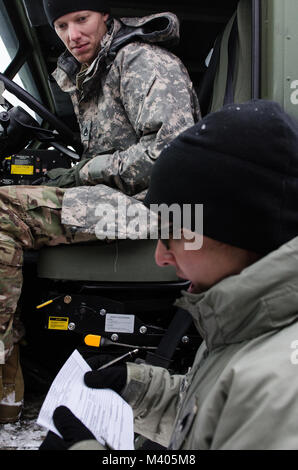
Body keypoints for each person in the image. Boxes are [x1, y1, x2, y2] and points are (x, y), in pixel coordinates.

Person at [41, 99, 298, 450]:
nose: (161, 255)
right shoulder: (248, 331)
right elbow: (219, 413)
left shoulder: (282, 389)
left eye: (176, 230)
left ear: (242, 228)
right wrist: (143, 390)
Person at [0, 0, 200, 423]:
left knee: (3, 211)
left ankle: (4, 385)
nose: (72, 35)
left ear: (106, 16)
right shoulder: (93, 75)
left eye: (81, 20)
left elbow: (172, 153)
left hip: (157, 208)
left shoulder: (141, 61)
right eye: (61, 25)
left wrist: (86, 171)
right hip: (123, 203)